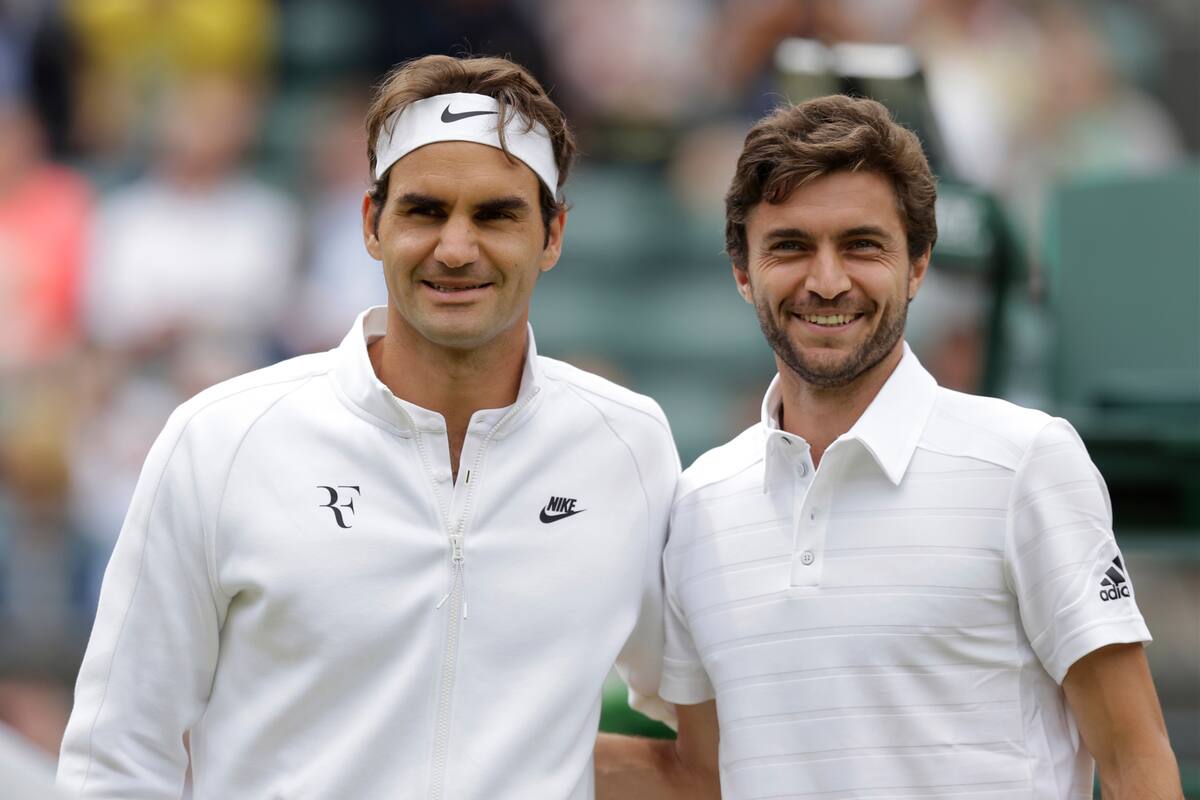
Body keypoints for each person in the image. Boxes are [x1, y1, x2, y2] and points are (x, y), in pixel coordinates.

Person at [57, 54, 679, 799]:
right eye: (424, 210)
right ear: (370, 224)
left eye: (496, 214)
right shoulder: (220, 439)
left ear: (553, 235)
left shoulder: (629, 444)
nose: (455, 248)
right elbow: (116, 758)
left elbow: (694, 732)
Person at [595, 94, 1181, 798]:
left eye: (861, 245)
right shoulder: (697, 502)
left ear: (918, 265)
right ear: (742, 272)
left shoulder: (1027, 461)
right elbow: (702, 776)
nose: (827, 280)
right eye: (790, 246)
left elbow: (1135, 761)